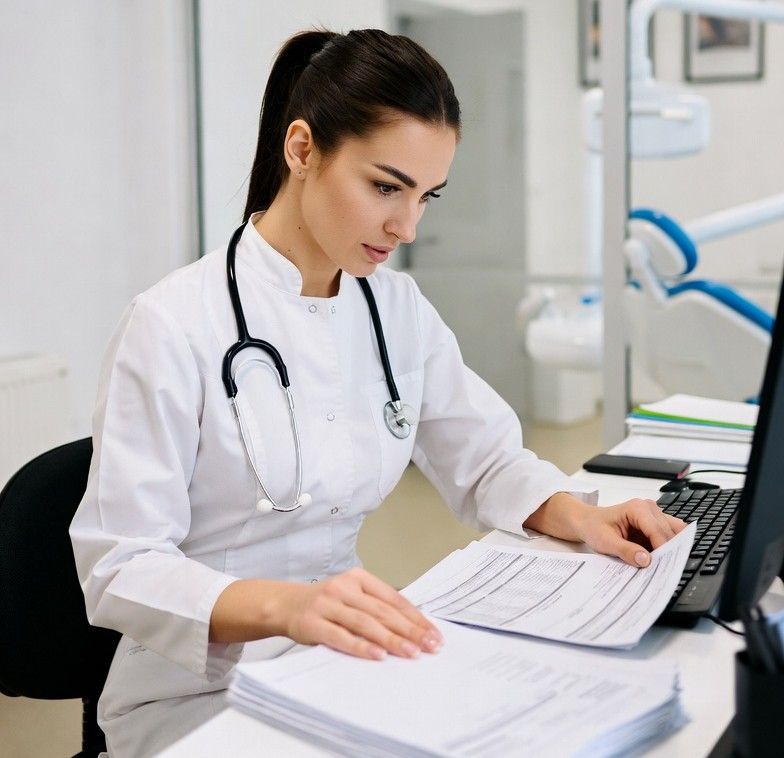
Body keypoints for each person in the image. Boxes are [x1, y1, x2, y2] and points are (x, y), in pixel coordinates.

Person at [70, 28, 686, 757]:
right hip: (195, 697)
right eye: (385, 187)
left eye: (426, 195)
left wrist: (577, 516)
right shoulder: (172, 324)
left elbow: (485, 459)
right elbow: (121, 567)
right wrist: (291, 608)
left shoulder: (394, 308)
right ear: (302, 151)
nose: (407, 225)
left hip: (346, 663)